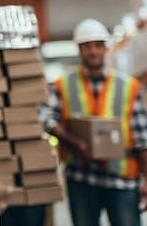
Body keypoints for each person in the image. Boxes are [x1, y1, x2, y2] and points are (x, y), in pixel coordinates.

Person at [42, 18, 147, 226]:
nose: (93, 52)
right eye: (87, 46)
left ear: (105, 49)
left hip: (122, 179)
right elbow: (46, 118)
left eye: (98, 46)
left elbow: (142, 137)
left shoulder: (129, 87)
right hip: (82, 178)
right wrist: (73, 141)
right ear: (79, 50)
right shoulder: (62, 85)